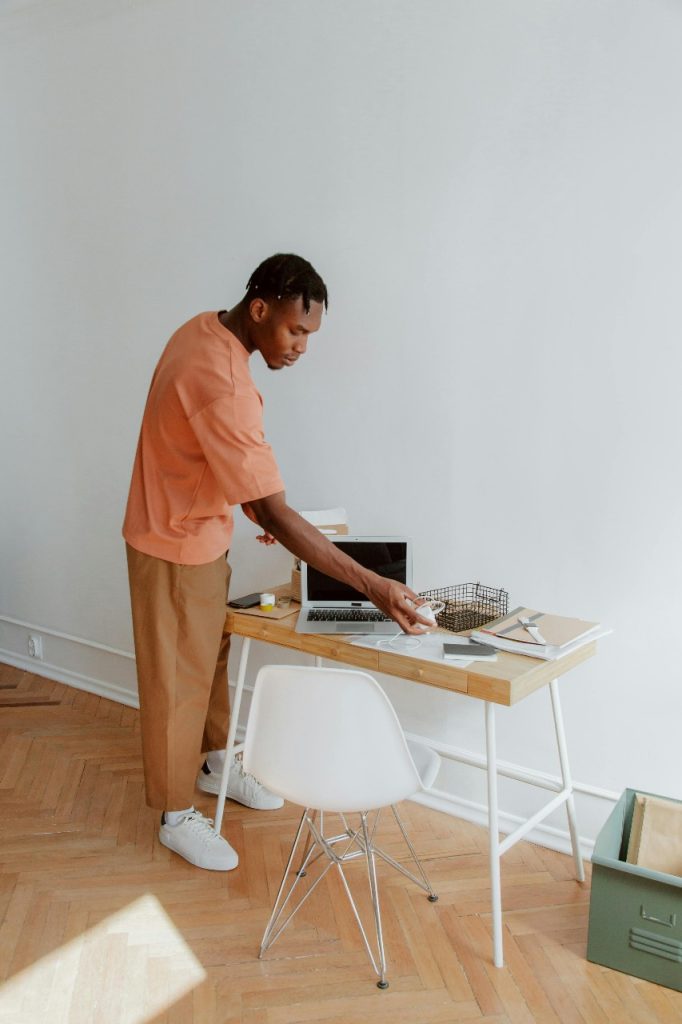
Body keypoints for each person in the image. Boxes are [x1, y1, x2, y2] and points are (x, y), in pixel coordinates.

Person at [123, 253, 431, 872]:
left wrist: (259, 509)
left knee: (207, 659)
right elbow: (272, 507)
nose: (301, 347)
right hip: (173, 543)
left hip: (198, 531)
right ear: (260, 309)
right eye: (296, 330)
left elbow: (210, 454)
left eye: (309, 334)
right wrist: (373, 586)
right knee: (176, 679)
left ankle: (215, 764)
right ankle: (175, 814)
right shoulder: (225, 382)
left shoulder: (202, 329)